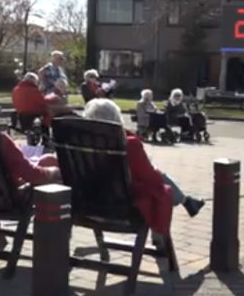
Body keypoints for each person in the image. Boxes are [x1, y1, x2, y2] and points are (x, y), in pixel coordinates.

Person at [83, 99, 205, 236]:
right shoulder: (128, 144)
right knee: (161, 186)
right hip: (121, 205)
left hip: (87, 200)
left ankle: (188, 202)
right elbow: (151, 177)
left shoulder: (82, 141)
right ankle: (181, 209)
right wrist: (155, 171)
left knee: (155, 179)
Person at [0, 87, 60, 186]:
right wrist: (53, 172)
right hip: (12, 190)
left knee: (47, 159)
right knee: (52, 163)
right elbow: (31, 174)